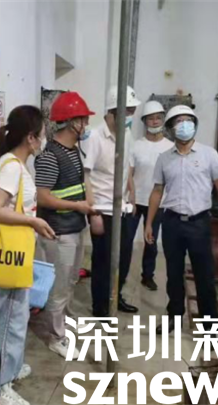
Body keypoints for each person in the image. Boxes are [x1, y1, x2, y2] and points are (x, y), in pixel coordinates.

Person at [0, 105, 55, 405]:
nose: (44, 140)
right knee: (7, 323)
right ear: (30, 138)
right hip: (9, 255)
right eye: (42, 134)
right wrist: (32, 221)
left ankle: (9, 370)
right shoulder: (12, 167)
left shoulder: (13, 164)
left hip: (18, 253)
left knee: (16, 316)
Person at [144, 105, 218, 334]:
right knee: (173, 274)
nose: (184, 125)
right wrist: (149, 223)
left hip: (199, 223)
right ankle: (174, 316)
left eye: (188, 120)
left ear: (195, 124)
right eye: (179, 121)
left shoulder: (208, 154)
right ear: (171, 128)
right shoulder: (164, 158)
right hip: (172, 223)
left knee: (204, 275)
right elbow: (157, 191)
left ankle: (210, 324)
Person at [31, 92, 96, 359]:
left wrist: (87, 205)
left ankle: (65, 318)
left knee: (70, 279)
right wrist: (78, 206)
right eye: (83, 120)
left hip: (75, 226)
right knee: (58, 286)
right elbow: (43, 197)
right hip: (58, 231)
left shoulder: (73, 151)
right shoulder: (50, 156)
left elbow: (79, 184)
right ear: (72, 123)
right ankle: (56, 337)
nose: (86, 125)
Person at [83, 85, 141, 317]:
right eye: (127, 111)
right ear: (112, 111)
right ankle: (100, 307)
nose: (130, 117)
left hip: (122, 208)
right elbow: (85, 176)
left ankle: (116, 298)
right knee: (103, 261)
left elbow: (127, 168)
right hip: (102, 210)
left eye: (132, 112)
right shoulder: (94, 137)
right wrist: (93, 213)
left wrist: (132, 195)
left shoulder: (126, 135)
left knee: (124, 257)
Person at [127, 100, 174, 291]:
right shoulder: (136, 145)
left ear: (163, 120)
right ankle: (121, 275)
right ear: (144, 122)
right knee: (126, 240)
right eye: (150, 118)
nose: (155, 122)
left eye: (158, 118)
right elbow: (129, 173)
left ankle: (147, 276)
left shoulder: (170, 147)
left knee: (151, 242)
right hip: (135, 201)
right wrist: (131, 196)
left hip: (158, 203)